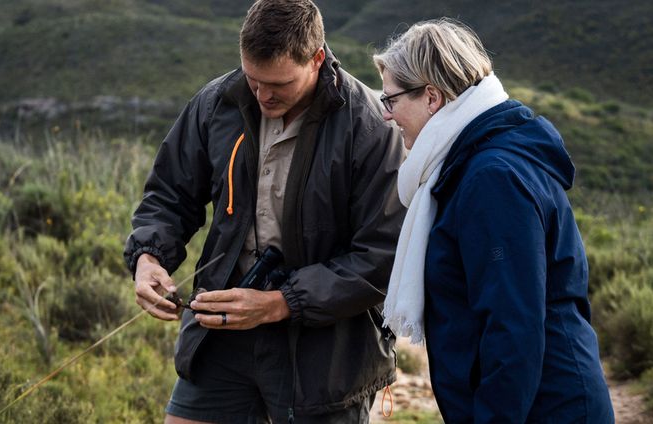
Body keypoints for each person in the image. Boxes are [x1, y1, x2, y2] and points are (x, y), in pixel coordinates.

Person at [124, 1, 405, 422]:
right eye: (252, 79)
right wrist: (149, 259)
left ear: (317, 59)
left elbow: (383, 255)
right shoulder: (218, 102)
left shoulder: (371, 126)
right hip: (222, 329)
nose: (262, 95)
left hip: (325, 346)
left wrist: (280, 302)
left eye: (278, 84)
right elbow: (168, 195)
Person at [374, 18, 615, 422]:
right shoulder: (476, 162)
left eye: (391, 101)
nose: (387, 116)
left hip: (546, 408)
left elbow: (512, 328)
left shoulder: (492, 178)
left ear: (432, 97)